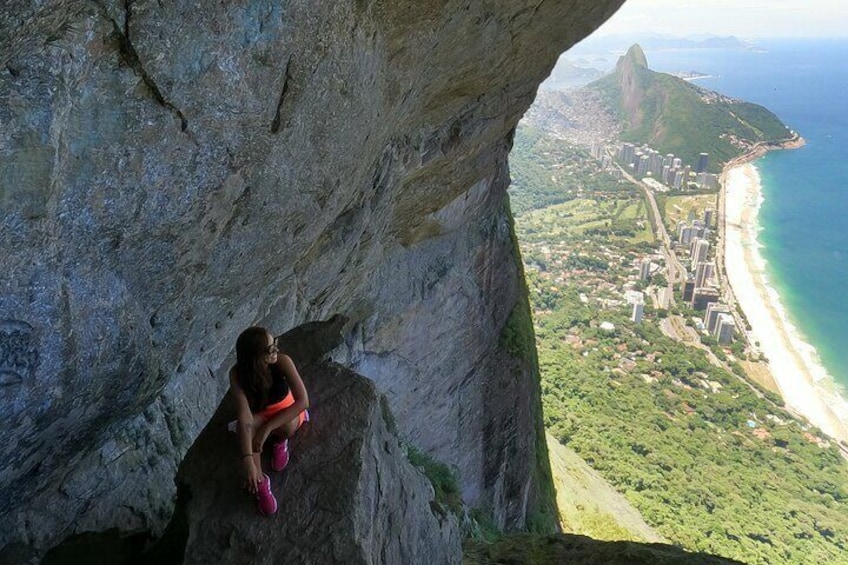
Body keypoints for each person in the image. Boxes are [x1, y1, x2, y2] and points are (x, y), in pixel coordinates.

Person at [229, 326, 310, 516]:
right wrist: (247, 460)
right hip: (261, 414)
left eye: (275, 344)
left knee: (286, 427)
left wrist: (266, 430)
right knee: (245, 431)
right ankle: (260, 482)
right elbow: (244, 415)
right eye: (270, 348)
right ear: (255, 356)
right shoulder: (237, 374)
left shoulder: (282, 362)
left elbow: (303, 401)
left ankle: (280, 441)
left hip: (286, 411)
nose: (276, 350)